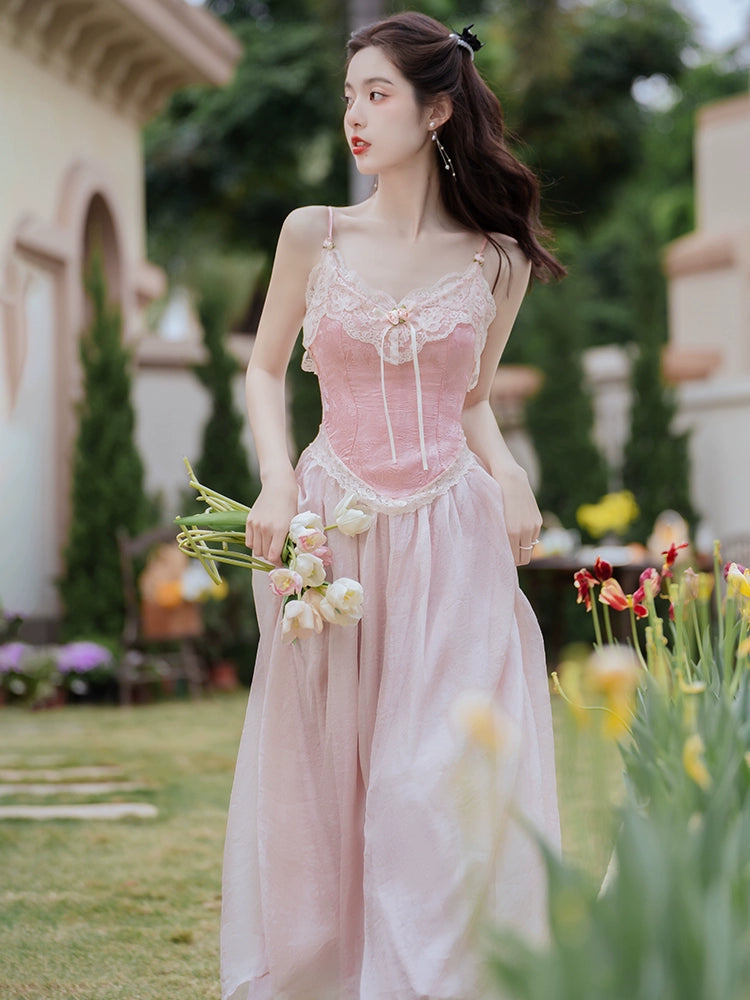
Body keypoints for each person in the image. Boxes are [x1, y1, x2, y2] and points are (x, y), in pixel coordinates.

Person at [221, 12, 564, 1000]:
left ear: (437, 109)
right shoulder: (312, 233)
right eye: (348, 96)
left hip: (452, 536)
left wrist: (507, 472)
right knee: (328, 783)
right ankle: (340, 974)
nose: (355, 116)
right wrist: (280, 478)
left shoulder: (495, 260)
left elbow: (472, 399)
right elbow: (259, 366)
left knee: (433, 780)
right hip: (336, 537)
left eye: (377, 94)